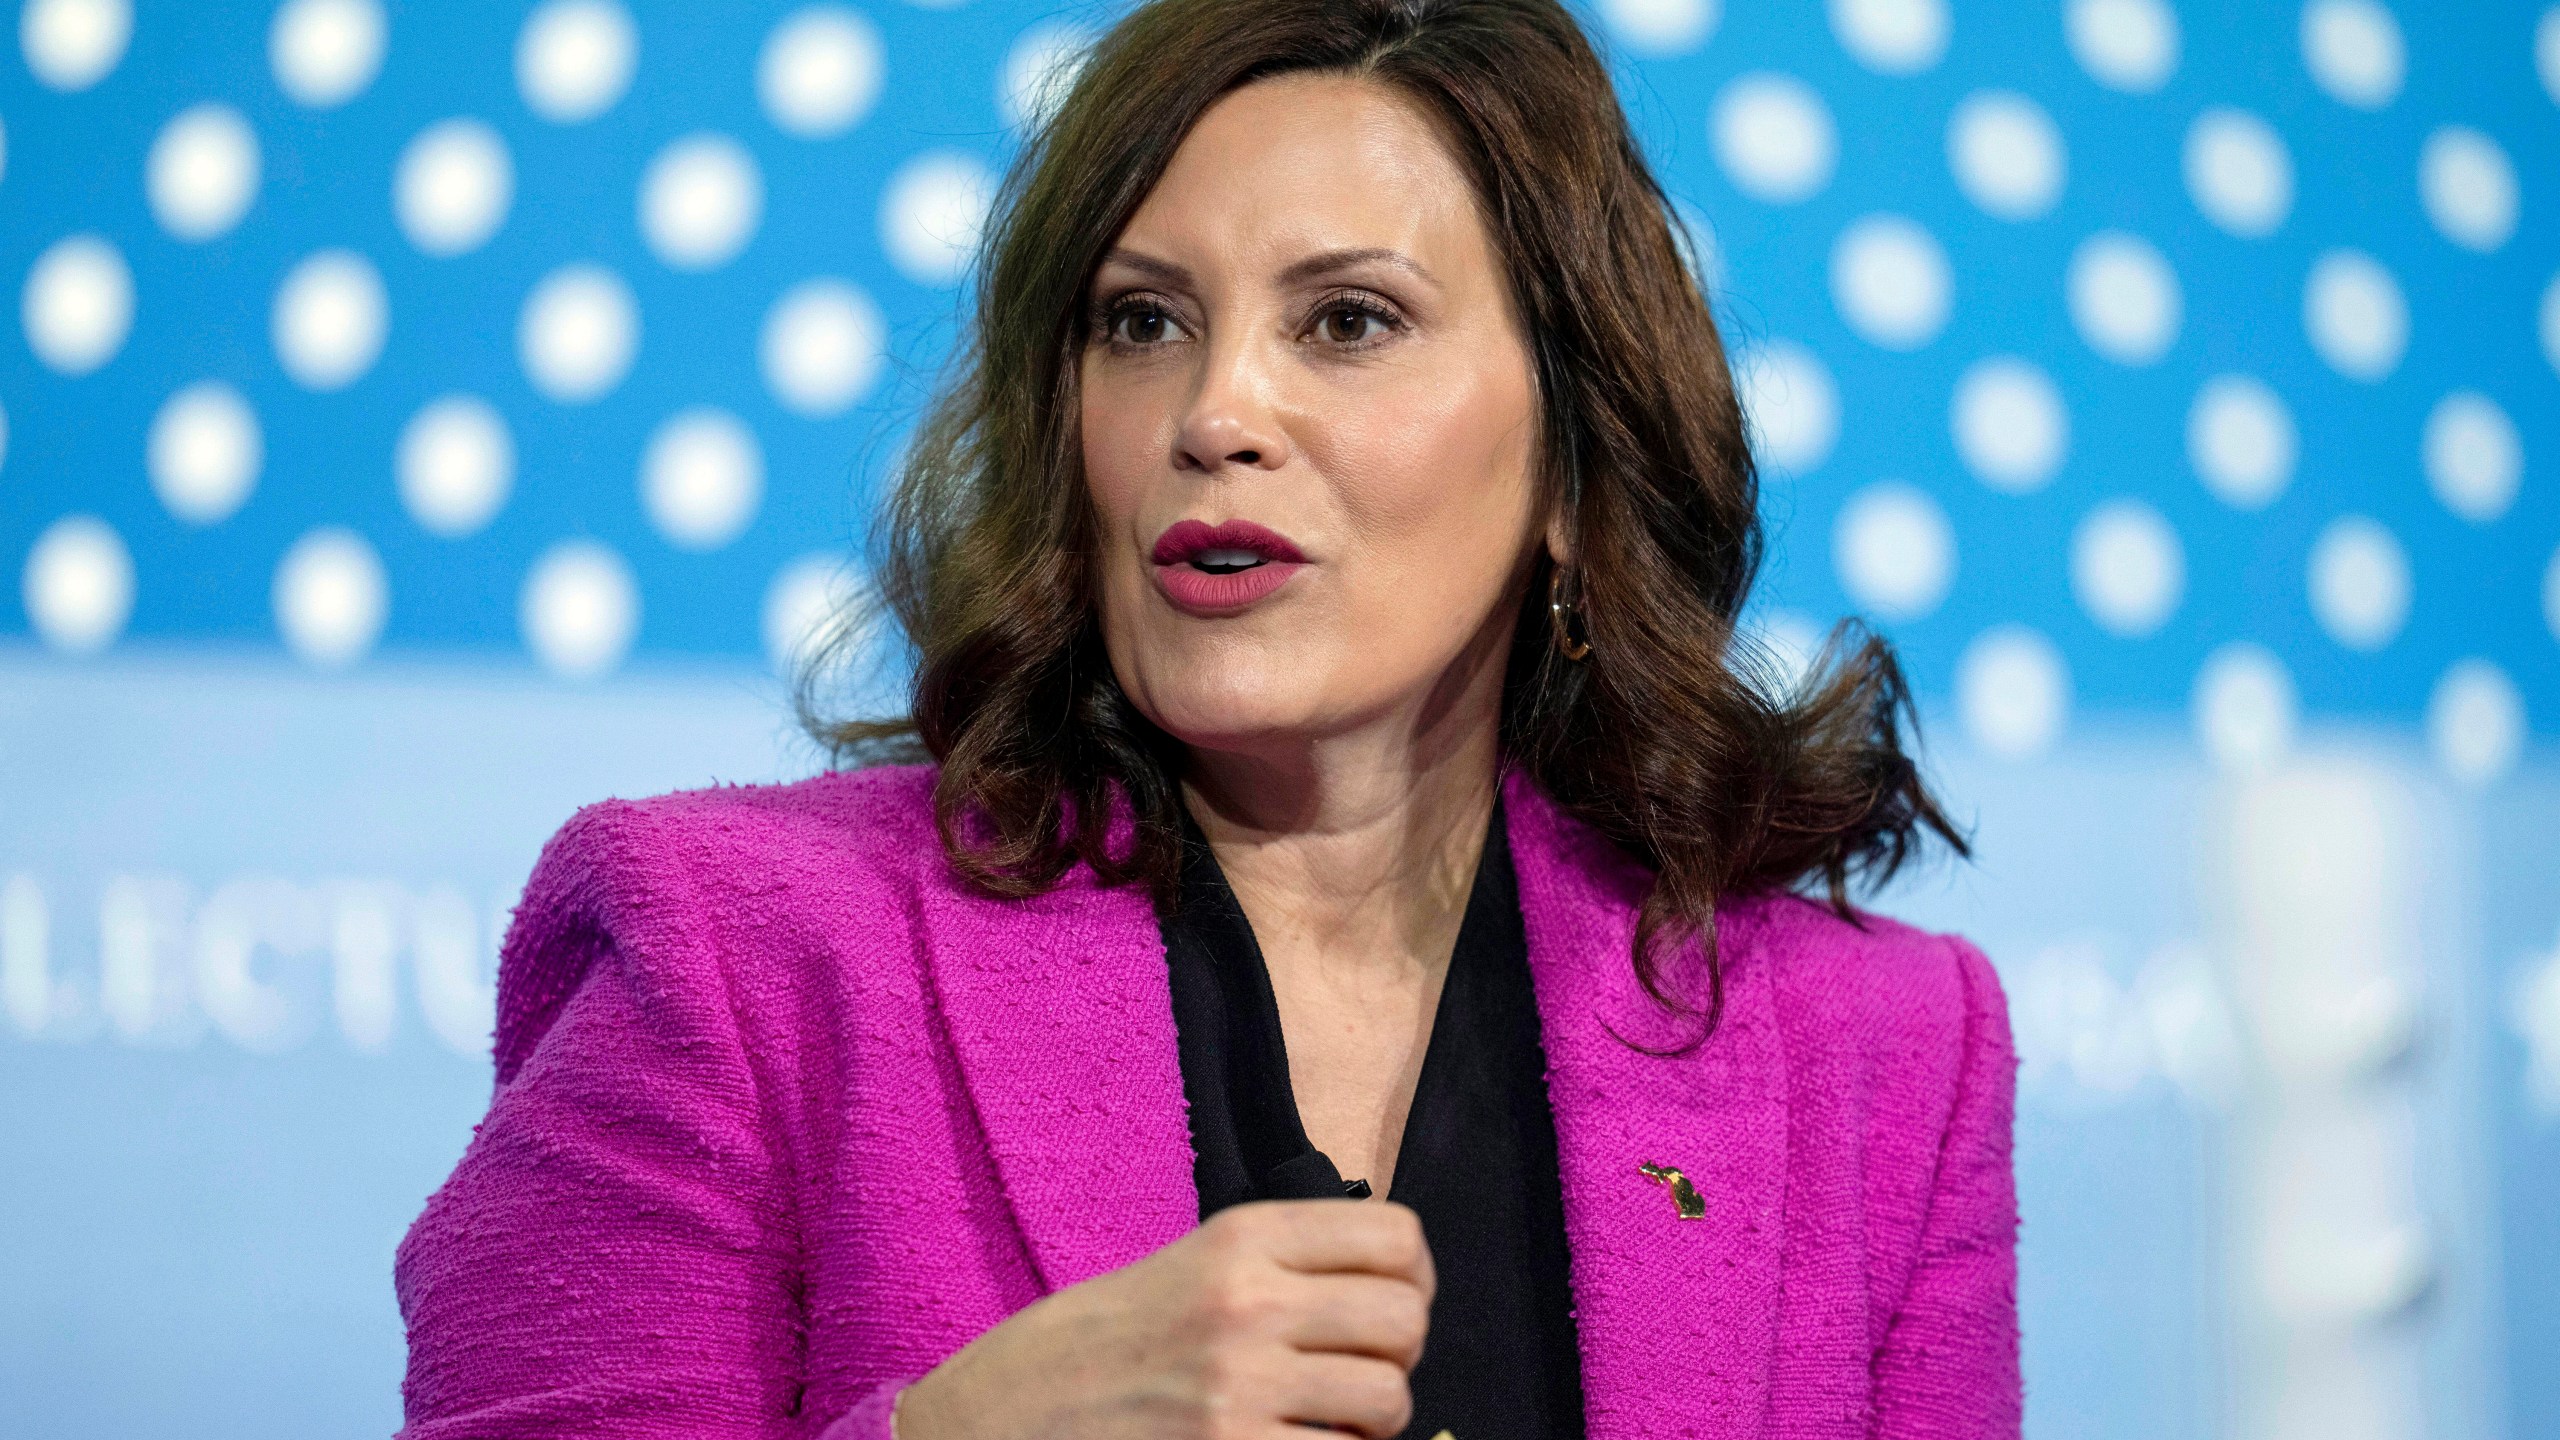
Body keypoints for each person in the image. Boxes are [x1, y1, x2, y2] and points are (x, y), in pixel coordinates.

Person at [394, 0, 2019, 1435]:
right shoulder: (734, 956)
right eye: (1143, 322)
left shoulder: (1883, 1055)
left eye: (1349, 321)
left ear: (1577, 471)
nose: (1216, 411)